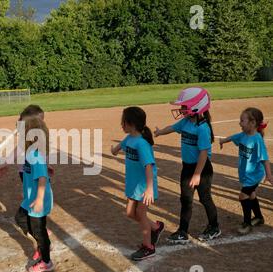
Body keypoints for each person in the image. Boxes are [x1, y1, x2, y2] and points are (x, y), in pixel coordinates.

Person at [155, 87, 221, 244]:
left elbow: (204, 153)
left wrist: (197, 174)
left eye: (184, 106)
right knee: (185, 199)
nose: (181, 109)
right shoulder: (185, 122)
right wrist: (160, 132)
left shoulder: (203, 128)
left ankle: (214, 226)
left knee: (205, 198)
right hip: (187, 167)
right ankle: (182, 231)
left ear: (197, 106)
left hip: (202, 169)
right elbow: (172, 128)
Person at [111, 106, 163, 261]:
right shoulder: (129, 139)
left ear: (131, 123)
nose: (121, 124)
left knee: (140, 213)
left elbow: (149, 166)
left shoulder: (141, 144)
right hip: (133, 184)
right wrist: (113, 150)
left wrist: (149, 189)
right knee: (129, 213)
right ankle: (155, 227)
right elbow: (117, 149)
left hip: (144, 185)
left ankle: (148, 247)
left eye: (123, 122)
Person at [219, 107, 272, 234]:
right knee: (251, 195)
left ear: (252, 123)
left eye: (242, 120)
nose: (240, 123)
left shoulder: (257, 139)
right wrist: (223, 140)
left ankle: (247, 224)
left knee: (243, 196)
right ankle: (259, 217)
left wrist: (269, 175)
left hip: (254, 175)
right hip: (245, 173)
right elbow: (233, 137)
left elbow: (264, 159)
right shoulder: (243, 135)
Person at [21, 117, 54, 272]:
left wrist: (39, 199)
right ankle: (43, 239)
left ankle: (46, 262)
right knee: (19, 218)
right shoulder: (31, 152)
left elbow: (42, 177)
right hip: (30, 197)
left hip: (37, 198)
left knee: (38, 231)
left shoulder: (35, 154)